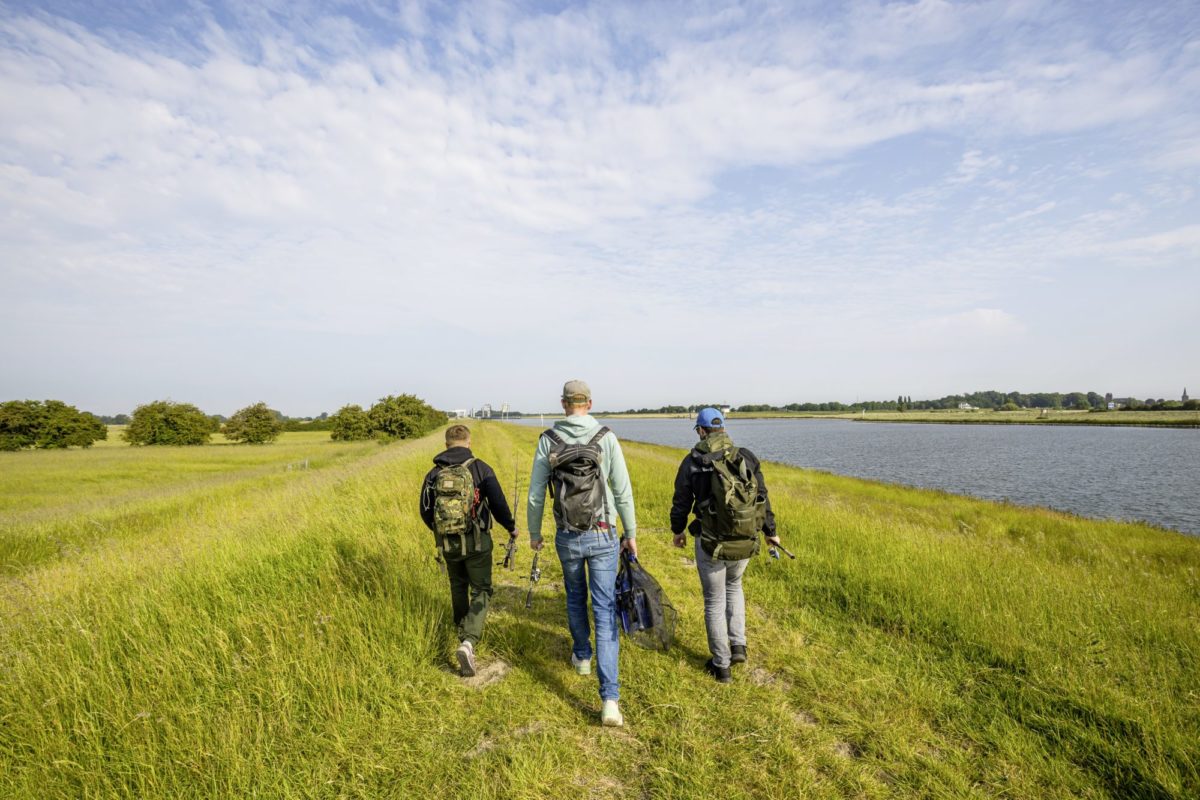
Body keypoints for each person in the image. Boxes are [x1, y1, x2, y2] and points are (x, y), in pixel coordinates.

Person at [527, 380, 637, 727]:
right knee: (604, 611)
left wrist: (534, 533)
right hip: (604, 533)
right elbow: (622, 490)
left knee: (575, 596)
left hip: (567, 536)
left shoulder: (548, 440)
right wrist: (630, 533)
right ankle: (609, 700)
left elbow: (535, 494)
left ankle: (583, 657)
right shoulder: (606, 437)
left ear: (563, 404)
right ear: (588, 403)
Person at [670, 408, 779, 683]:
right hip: (744, 541)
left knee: (714, 601)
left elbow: (681, 500)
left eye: (698, 430)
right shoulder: (747, 456)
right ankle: (738, 646)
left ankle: (722, 666)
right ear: (724, 429)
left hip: (711, 544)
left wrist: (678, 531)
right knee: (735, 587)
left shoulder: (693, 461)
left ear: (702, 431)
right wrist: (770, 532)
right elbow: (761, 498)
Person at [420, 424, 517, 677]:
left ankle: (461, 630)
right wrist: (511, 527)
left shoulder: (433, 473)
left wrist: (441, 530)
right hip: (477, 542)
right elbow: (498, 503)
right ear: (469, 442)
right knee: (482, 589)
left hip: (447, 544)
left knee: (457, 585)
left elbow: (425, 510)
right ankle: (468, 642)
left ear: (446, 445)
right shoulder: (481, 468)